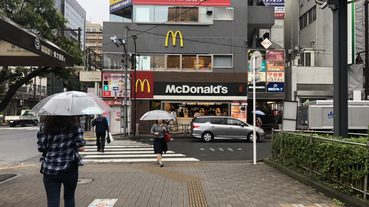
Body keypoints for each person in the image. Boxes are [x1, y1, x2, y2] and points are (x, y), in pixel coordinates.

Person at [37, 116, 86, 207]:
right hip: (70, 167)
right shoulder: (74, 126)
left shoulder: (44, 127)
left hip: (50, 168)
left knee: (52, 201)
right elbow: (80, 146)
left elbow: (41, 148)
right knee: (69, 198)